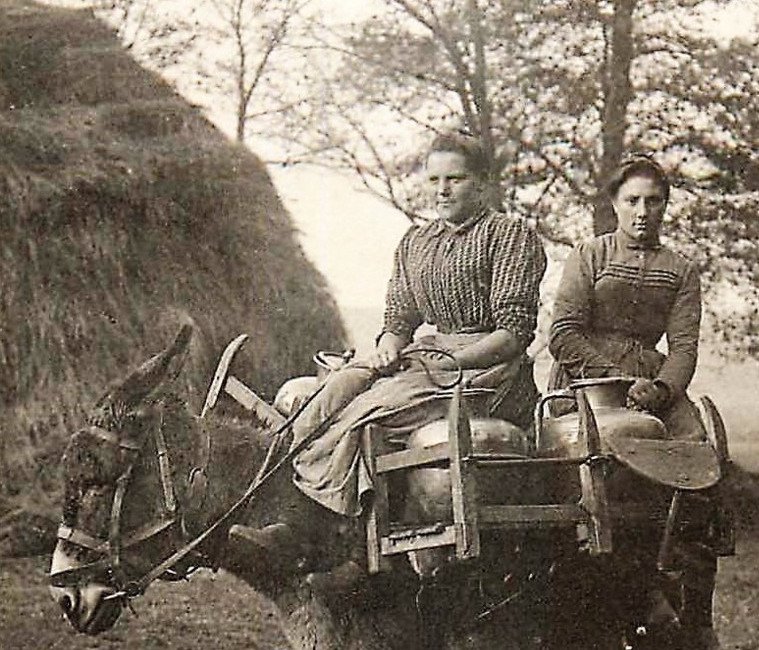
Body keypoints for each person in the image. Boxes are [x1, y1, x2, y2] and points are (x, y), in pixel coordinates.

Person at [227, 130, 547, 580]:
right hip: (427, 356)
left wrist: (455, 362)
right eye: (434, 178)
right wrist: (387, 347)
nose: (442, 190)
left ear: (483, 183)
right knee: (335, 388)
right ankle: (285, 490)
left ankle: (327, 531)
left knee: (366, 414)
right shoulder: (417, 242)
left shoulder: (510, 236)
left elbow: (513, 334)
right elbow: (399, 318)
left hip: (485, 369)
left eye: (455, 178)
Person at [547, 154, 738, 650]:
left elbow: (683, 347)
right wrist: (614, 375)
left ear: (666, 207)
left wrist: (662, 387)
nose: (642, 212)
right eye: (632, 200)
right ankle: (604, 594)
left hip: (654, 385)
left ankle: (697, 618)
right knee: (590, 481)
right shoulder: (588, 255)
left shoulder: (680, 270)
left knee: (700, 468)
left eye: (654, 202)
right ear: (614, 204)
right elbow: (563, 331)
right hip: (587, 380)